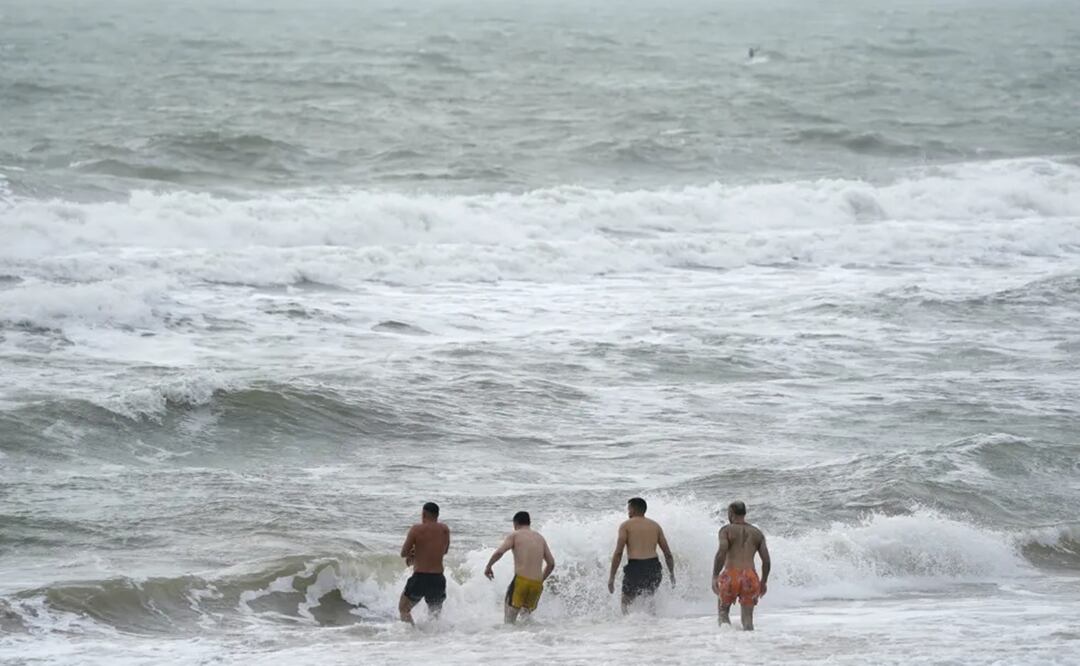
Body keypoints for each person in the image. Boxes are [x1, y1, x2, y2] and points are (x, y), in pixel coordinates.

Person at [484, 511, 556, 624]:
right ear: (529, 523)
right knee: (526, 620)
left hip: (521, 582)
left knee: (509, 621)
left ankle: (510, 641)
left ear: (515, 523)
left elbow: (499, 552)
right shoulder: (540, 538)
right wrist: (541, 580)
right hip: (536, 585)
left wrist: (489, 566)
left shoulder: (515, 535)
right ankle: (529, 641)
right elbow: (551, 564)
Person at [607, 497, 675, 613]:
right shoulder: (655, 526)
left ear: (632, 509)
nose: (628, 512)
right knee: (649, 598)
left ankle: (629, 626)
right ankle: (655, 625)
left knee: (625, 602)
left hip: (635, 567)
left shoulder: (625, 526)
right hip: (654, 567)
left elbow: (618, 553)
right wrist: (671, 573)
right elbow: (667, 554)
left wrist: (612, 577)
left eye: (629, 509)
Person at [711, 500, 770, 630]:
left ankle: (725, 645)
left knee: (723, 613)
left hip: (730, 575)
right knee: (748, 621)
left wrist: (715, 575)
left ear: (731, 513)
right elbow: (766, 560)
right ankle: (748, 646)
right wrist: (764, 582)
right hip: (750, 577)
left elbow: (722, 552)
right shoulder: (757, 533)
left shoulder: (726, 530)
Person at [398, 502, 450, 624]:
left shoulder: (416, 529)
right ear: (437, 515)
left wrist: (413, 553)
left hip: (420, 578)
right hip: (438, 579)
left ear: (424, 514)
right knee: (435, 615)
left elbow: (404, 553)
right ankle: (434, 640)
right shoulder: (445, 529)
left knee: (404, 609)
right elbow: (445, 551)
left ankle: (413, 635)